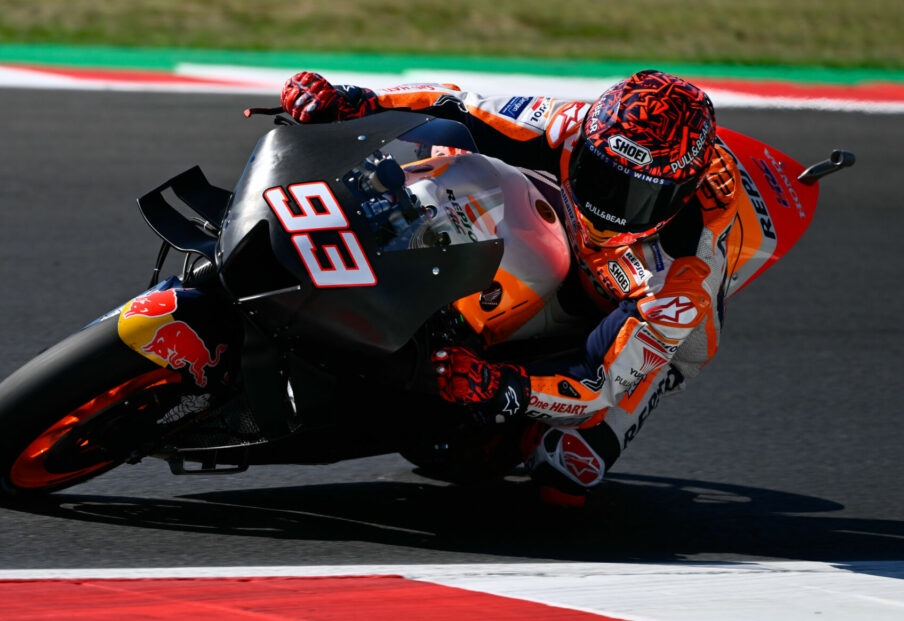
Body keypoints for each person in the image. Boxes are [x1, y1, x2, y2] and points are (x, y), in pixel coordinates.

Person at [279, 69, 741, 507]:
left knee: (567, 470)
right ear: (586, 142)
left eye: (636, 196)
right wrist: (353, 101)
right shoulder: (571, 127)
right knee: (457, 161)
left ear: (678, 197)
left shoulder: (682, 279)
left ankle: (532, 432)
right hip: (559, 223)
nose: (608, 207)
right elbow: (456, 105)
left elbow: (597, 381)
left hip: (644, 322)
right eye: (600, 177)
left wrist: (503, 386)